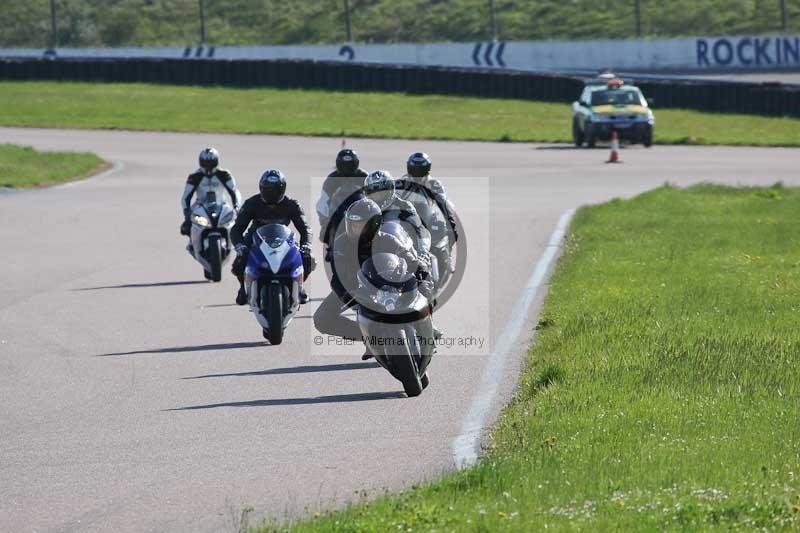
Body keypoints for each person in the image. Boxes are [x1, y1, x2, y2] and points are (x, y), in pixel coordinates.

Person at [314, 197, 435, 359]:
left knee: (425, 287)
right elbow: (337, 278)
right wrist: (347, 293)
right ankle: (370, 338)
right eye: (353, 225)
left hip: (391, 284)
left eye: (362, 225)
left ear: (375, 224)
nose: (357, 230)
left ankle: (427, 332)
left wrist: (420, 268)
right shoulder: (341, 245)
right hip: (356, 288)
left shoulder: (387, 238)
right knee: (321, 318)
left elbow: (409, 259)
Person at [230, 169, 315, 306]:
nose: (272, 193)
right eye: (268, 189)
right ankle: (243, 288)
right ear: (261, 188)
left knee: (308, 259)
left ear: (283, 189)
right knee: (239, 262)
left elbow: (305, 229)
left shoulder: (292, 205)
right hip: (255, 240)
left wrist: (307, 245)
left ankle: (299, 286)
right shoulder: (251, 203)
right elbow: (237, 229)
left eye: (276, 189)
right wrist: (240, 245)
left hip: (283, 240)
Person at [180, 147, 242, 246]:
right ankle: (192, 243)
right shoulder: (194, 176)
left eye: (211, 163)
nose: (208, 167)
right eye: (205, 164)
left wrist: (237, 206)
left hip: (221, 204)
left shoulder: (224, 174)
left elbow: (234, 191)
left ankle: (235, 243)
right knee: (186, 227)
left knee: (237, 223)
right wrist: (187, 212)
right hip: (200, 205)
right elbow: (186, 197)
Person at [397, 152, 458, 243]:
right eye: (415, 169)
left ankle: (445, 255)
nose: (417, 173)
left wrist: (451, 223)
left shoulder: (433, 184)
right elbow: (391, 199)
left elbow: (444, 204)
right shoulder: (401, 183)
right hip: (405, 219)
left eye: (419, 170)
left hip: (427, 218)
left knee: (442, 233)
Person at [316, 148, 368, 251]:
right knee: (327, 226)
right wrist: (325, 220)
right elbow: (323, 201)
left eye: (350, 164)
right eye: (344, 165)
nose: (347, 168)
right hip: (338, 209)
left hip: (359, 209)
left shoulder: (364, 176)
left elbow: (373, 197)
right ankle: (332, 246)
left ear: (356, 163)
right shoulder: (331, 179)